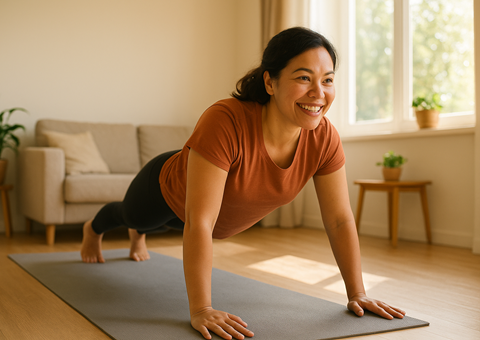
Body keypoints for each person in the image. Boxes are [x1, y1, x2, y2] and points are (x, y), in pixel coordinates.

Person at [81, 26, 406, 340]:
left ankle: (141, 235)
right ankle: (93, 230)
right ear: (270, 82)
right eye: (304, 78)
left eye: (328, 80)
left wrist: (358, 293)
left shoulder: (325, 138)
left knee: (162, 228)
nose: (318, 93)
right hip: (167, 189)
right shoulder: (225, 120)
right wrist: (202, 309)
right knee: (133, 217)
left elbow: (339, 219)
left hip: (199, 221)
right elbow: (200, 221)